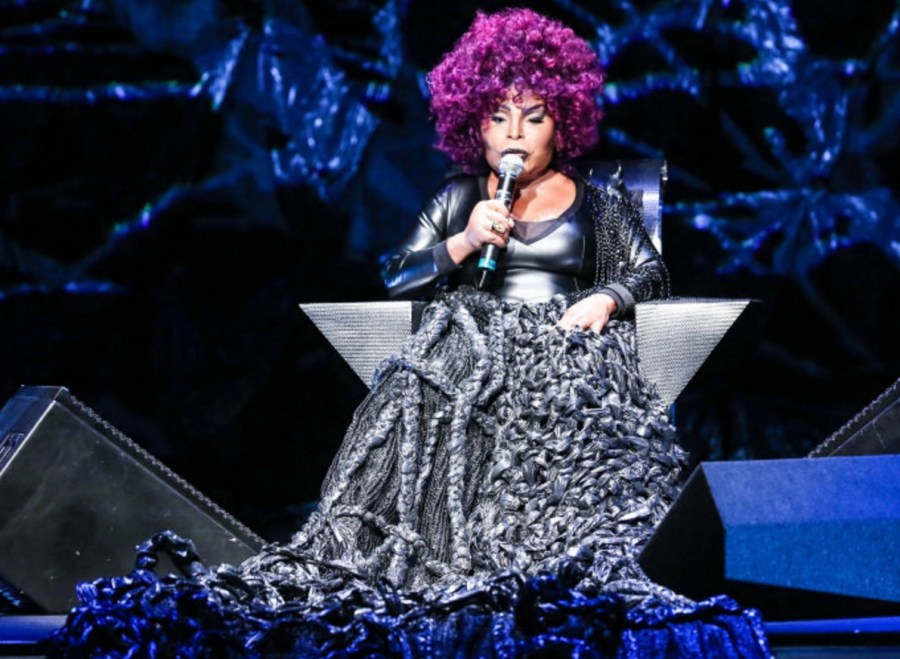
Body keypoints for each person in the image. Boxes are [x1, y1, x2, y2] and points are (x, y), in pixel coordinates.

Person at [53, 9, 769, 657]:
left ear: (563, 120)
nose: (514, 135)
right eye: (498, 119)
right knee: (426, 398)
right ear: (473, 124)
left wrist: (606, 299)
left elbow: (648, 273)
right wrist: (462, 243)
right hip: (473, 350)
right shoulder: (459, 196)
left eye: (533, 118)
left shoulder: (599, 202)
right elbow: (397, 274)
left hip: (571, 354)